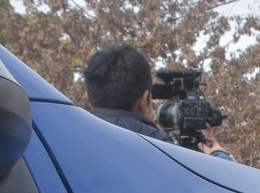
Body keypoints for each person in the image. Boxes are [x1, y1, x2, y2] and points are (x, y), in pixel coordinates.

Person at [82, 43, 231, 160]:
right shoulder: (162, 151)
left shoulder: (65, 143)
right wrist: (219, 156)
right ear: (143, 100)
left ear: (87, 98)